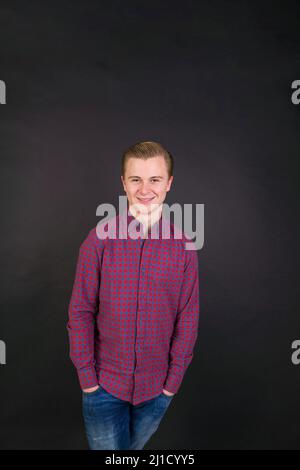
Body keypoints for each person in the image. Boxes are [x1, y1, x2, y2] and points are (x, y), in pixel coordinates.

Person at [67, 141, 200, 450]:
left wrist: (171, 384)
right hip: (102, 388)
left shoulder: (184, 247)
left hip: (157, 391)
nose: (145, 189)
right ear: (123, 182)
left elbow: (188, 317)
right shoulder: (98, 241)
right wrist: (88, 379)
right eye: (135, 179)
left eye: (154, 179)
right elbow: (81, 311)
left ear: (168, 183)